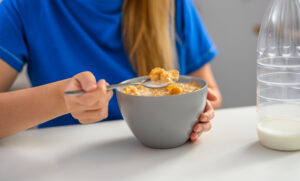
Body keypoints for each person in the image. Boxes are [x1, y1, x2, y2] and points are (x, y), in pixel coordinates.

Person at [0, 0, 222, 142]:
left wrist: (198, 110)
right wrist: (62, 99)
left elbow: (210, 92)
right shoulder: (24, 6)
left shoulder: (173, 4)